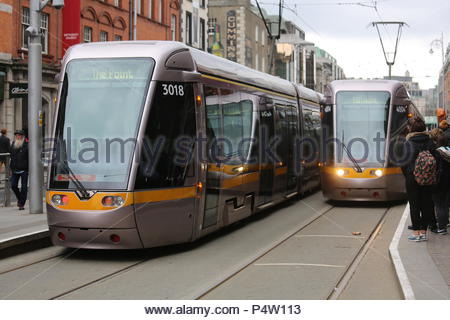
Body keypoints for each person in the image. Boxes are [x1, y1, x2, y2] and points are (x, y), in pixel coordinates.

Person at [402, 117, 435, 241]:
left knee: (414, 205)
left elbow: (403, 163)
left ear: (412, 129)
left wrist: (409, 175)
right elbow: (435, 160)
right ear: (424, 128)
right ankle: (423, 232)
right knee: (426, 204)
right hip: (428, 178)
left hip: (412, 177)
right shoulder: (431, 142)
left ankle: (416, 233)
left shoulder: (408, 142)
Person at [432, 134, 450, 234]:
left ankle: (442, 228)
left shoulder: (436, 153)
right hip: (448, 182)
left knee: (439, 205)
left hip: (439, 182)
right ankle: (446, 221)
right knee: (445, 204)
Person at [10, 130, 29, 210]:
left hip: (24, 169)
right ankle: (20, 199)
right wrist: (11, 168)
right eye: (17, 135)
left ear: (23, 136)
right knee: (13, 185)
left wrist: (28, 168)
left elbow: (29, 158)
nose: (18, 137)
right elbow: (11, 156)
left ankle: (21, 204)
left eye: (20, 135)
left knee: (24, 188)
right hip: (14, 169)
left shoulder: (27, 145)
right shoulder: (13, 145)